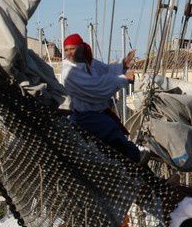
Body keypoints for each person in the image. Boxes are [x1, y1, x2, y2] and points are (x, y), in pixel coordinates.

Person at [60, 33, 141, 162]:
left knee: (118, 138)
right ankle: (138, 167)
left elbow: (106, 70)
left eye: (72, 48)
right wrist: (124, 79)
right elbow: (96, 88)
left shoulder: (87, 61)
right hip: (85, 117)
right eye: (66, 50)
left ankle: (141, 168)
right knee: (114, 136)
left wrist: (123, 65)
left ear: (80, 48)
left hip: (98, 114)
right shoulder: (69, 72)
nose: (69, 53)